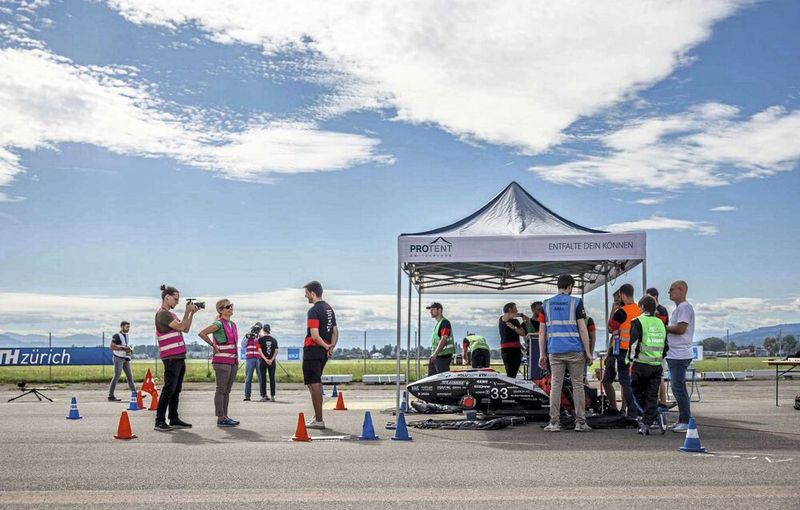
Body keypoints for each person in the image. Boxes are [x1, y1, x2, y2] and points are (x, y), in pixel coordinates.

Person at [538, 274, 593, 432]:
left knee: (556, 385)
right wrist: (588, 351)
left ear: (558, 285)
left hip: (554, 350)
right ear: (570, 286)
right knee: (577, 385)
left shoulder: (546, 305)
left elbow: (542, 332)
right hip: (575, 350)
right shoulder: (576, 302)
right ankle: (580, 423)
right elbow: (583, 328)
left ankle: (554, 423)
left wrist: (542, 354)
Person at [154, 284, 198, 432]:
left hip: (178, 357)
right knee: (169, 389)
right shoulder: (163, 314)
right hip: (171, 358)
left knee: (176, 389)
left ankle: (173, 417)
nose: (177, 302)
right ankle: (159, 420)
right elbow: (180, 327)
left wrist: (191, 314)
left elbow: (185, 328)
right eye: (175, 299)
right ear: (167, 298)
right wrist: (186, 311)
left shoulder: (172, 315)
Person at [627, 295, 668, 435]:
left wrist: (630, 361)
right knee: (651, 395)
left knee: (636, 391)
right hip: (656, 365)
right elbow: (665, 346)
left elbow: (633, 344)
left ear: (642, 307)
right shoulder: (660, 323)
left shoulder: (638, 321)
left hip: (640, 364)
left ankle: (648, 420)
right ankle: (651, 417)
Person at [198, 299, 240, 427]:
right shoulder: (219, 324)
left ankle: (225, 416)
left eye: (231, 306)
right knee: (221, 390)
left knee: (227, 390)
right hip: (222, 362)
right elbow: (202, 333)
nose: (231, 308)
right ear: (221, 310)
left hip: (232, 362)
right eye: (228, 307)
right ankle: (220, 417)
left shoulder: (233, 324)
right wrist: (212, 345)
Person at [303, 280, 337, 430]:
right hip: (323, 352)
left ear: (312, 293)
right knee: (313, 382)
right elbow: (335, 331)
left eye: (306, 294)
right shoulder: (329, 309)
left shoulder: (314, 311)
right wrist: (330, 347)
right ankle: (317, 416)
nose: (306, 297)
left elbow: (315, 335)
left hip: (313, 349)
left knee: (314, 384)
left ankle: (319, 419)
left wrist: (325, 345)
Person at [605, 283, 640, 417]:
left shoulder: (621, 312)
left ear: (623, 295)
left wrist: (613, 311)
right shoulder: (639, 310)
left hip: (622, 351)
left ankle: (632, 411)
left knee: (625, 383)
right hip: (634, 351)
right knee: (628, 382)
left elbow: (610, 328)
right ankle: (631, 410)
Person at [665, 280, 695, 433]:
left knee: (678, 387)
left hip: (679, 354)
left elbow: (681, 328)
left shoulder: (684, 307)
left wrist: (664, 328)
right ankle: (682, 419)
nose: (669, 292)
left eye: (671, 290)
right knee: (678, 387)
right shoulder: (679, 309)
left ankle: (685, 419)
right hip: (675, 353)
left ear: (681, 290)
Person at [646, 287, 670, 407]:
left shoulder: (662, 310)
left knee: (659, 376)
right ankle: (655, 402)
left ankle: (663, 401)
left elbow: (660, 326)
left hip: (659, 349)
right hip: (650, 349)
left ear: (654, 297)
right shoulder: (650, 313)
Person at [108, 321, 136, 402]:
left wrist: (129, 350)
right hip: (118, 358)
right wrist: (123, 348)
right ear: (122, 327)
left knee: (130, 377)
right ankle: (111, 396)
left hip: (125, 358)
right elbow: (112, 346)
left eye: (129, 327)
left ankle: (135, 395)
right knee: (117, 376)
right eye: (127, 327)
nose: (128, 329)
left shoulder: (127, 336)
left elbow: (125, 346)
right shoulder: (116, 336)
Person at [499, 303, 528, 378]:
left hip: (516, 349)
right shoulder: (503, 318)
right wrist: (522, 315)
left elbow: (522, 333)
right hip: (507, 349)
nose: (517, 310)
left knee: (514, 371)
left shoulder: (516, 321)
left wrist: (514, 328)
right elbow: (508, 315)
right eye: (515, 308)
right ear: (510, 309)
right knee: (510, 371)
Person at [427, 302, 454, 376]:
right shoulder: (438, 323)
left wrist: (435, 354)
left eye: (433, 309)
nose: (430, 311)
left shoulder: (444, 322)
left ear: (439, 310)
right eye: (430, 310)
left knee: (442, 380)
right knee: (431, 379)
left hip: (443, 357)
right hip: (437, 357)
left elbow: (444, 339)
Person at [257, 324, 278, 401]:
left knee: (263, 378)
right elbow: (276, 351)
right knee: (272, 378)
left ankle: (263, 396)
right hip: (272, 361)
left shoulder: (260, 340)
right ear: (269, 330)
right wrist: (271, 359)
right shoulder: (274, 340)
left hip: (263, 361)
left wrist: (265, 359)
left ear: (263, 330)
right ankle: (272, 396)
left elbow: (259, 351)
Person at [242, 322, 262, 401]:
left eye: (259, 329)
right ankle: (247, 396)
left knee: (261, 378)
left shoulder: (260, 336)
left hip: (259, 358)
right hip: (250, 358)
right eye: (256, 328)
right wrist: (247, 337)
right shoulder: (248, 335)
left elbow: (262, 345)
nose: (257, 330)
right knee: (248, 378)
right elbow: (243, 345)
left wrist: (258, 337)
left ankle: (263, 395)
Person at [524, 302, 544, 379]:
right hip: (532, 353)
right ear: (533, 310)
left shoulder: (545, 322)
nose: (540, 311)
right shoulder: (526, 323)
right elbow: (525, 338)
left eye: (542, 309)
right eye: (538, 309)